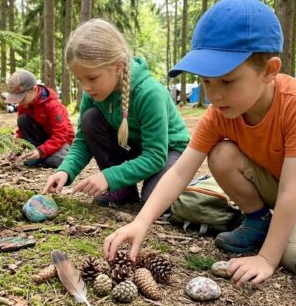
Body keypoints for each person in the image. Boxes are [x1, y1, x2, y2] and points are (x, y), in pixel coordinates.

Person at [103, 0, 296, 285]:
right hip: (275, 180)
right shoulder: (220, 113)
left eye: (226, 81)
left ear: (269, 71)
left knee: (294, 253)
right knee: (221, 154)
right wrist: (141, 222)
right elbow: (180, 172)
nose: (213, 95)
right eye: (206, 81)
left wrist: (267, 258)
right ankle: (258, 219)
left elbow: (292, 191)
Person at [42, 19, 190, 207]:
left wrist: (108, 176)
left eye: (92, 78)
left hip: (168, 151)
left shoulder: (150, 93)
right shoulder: (94, 94)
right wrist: (65, 171)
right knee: (90, 119)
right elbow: (82, 142)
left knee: (154, 201)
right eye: (79, 80)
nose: (86, 87)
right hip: (132, 147)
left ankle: (184, 184)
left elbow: (155, 155)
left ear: (118, 66)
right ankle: (123, 192)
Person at [6, 70, 74, 168]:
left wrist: (41, 151)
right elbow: (21, 132)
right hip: (43, 140)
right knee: (23, 120)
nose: (19, 103)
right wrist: (17, 147)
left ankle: (55, 156)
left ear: (34, 89)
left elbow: (61, 135)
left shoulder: (52, 105)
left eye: (22, 98)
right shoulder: (24, 105)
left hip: (63, 142)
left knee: (53, 161)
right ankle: (41, 156)